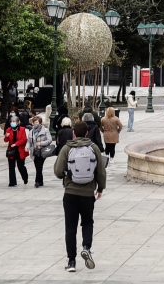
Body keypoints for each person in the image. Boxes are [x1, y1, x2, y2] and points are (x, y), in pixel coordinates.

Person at [54, 120, 107, 273]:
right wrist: (100, 188)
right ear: (86, 133)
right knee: (87, 222)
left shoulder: (67, 148)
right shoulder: (94, 147)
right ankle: (86, 248)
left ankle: (71, 262)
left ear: (73, 133)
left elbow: (58, 171)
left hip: (70, 193)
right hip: (88, 194)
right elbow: (101, 171)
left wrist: (66, 176)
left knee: (70, 227)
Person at [4, 113, 29, 186]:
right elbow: (5, 140)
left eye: (14, 121)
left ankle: (25, 177)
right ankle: (12, 182)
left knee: (20, 165)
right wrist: (7, 136)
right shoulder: (9, 129)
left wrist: (16, 144)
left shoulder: (22, 129)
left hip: (19, 150)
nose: (12, 123)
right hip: (11, 150)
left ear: (18, 122)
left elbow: (24, 139)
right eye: (11, 121)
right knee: (11, 167)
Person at [27, 115, 52, 187]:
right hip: (34, 151)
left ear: (40, 123)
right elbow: (29, 141)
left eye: (37, 122)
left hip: (42, 151)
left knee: (39, 166)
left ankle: (37, 181)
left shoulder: (45, 130)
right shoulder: (31, 131)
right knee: (37, 166)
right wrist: (27, 147)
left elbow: (49, 140)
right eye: (34, 122)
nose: (35, 123)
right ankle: (40, 181)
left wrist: (41, 143)